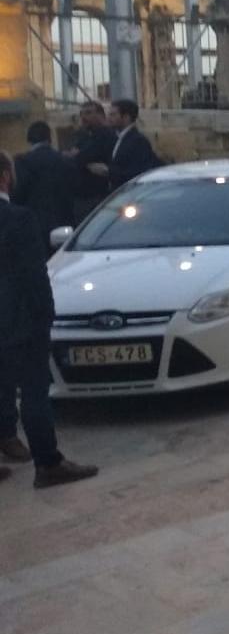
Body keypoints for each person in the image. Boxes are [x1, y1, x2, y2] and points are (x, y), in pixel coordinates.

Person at [0, 151, 99, 489]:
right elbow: (33, 275)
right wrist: (46, 315)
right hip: (19, 320)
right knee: (33, 391)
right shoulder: (17, 219)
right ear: (6, 177)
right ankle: (48, 462)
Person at [13, 121, 75, 241]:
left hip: (35, 220)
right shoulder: (64, 160)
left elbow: (19, 192)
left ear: (29, 139)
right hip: (64, 219)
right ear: (49, 138)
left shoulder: (23, 162)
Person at [67, 100, 116, 218]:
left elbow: (82, 157)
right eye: (82, 114)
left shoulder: (106, 135)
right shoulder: (83, 135)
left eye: (88, 113)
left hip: (98, 196)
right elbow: (71, 156)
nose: (84, 117)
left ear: (100, 115)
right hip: (83, 196)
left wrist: (78, 156)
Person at [103, 99, 160, 190]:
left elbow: (138, 173)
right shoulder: (116, 138)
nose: (108, 118)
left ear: (126, 117)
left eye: (113, 115)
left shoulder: (138, 141)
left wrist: (108, 172)